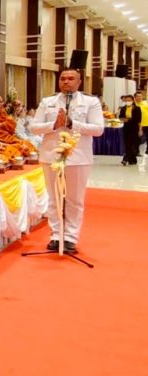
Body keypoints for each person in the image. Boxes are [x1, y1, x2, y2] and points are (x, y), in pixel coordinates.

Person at [29, 68, 104, 252]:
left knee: (74, 200)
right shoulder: (48, 102)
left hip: (78, 157)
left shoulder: (90, 102)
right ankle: (56, 235)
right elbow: (34, 127)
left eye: (71, 79)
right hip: (51, 156)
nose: (66, 82)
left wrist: (72, 123)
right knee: (53, 198)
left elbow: (98, 129)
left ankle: (70, 237)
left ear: (79, 82)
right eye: (63, 78)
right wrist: (53, 124)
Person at [118, 94, 142, 166]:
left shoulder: (137, 108)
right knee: (127, 144)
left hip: (135, 128)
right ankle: (133, 160)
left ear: (132, 100)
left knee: (132, 144)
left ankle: (125, 159)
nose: (128, 101)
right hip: (126, 128)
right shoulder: (123, 108)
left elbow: (139, 120)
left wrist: (140, 129)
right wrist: (124, 119)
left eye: (129, 100)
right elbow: (120, 117)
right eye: (126, 100)